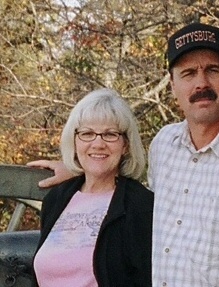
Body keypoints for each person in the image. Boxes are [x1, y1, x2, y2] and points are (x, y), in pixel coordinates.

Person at [28, 23, 219, 287]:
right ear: (173, 85)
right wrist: (82, 170)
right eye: (188, 74)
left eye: (213, 70)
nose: (201, 83)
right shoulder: (166, 145)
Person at [31, 88, 153, 287]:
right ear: (75, 141)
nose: (98, 143)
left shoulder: (141, 207)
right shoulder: (56, 200)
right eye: (87, 133)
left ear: (126, 145)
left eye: (110, 134)